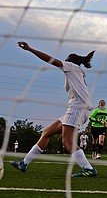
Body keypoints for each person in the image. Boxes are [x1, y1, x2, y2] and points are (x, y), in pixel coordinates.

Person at [10, 41, 97, 177]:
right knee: (46, 133)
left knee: (67, 142)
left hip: (77, 109)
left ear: (69, 61)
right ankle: (24, 163)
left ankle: (88, 168)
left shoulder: (70, 67)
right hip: (78, 109)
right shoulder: (77, 72)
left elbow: (51, 60)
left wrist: (30, 49)